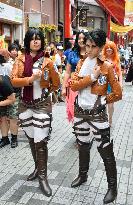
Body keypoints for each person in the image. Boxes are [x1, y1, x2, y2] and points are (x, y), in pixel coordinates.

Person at [69, 29, 122, 204]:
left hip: (97, 115)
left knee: (105, 150)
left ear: (100, 48)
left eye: (93, 47)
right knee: (82, 145)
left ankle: (112, 187)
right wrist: (92, 77)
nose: (88, 49)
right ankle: (82, 176)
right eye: (87, 45)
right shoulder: (81, 63)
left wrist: (103, 101)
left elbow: (118, 92)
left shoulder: (107, 66)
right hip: (80, 112)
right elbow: (74, 86)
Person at [11, 28, 60, 197]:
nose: (36, 41)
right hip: (25, 104)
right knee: (32, 139)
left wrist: (45, 90)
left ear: (42, 42)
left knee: (41, 141)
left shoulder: (48, 61)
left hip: (41, 105)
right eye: (32, 39)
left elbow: (56, 83)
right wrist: (30, 80)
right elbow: (13, 81)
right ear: (27, 42)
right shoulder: (20, 59)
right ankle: (37, 169)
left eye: (38, 39)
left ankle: (43, 177)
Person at [62, 31, 87, 122]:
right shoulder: (72, 53)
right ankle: (78, 129)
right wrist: (64, 88)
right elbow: (67, 72)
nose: (81, 40)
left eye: (83, 38)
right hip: (74, 85)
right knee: (74, 108)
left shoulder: (92, 53)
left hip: (88, 85)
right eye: (79, 38)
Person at [102, 41, 122, 126]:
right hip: (103, 84)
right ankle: (104, 119)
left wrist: (120, 84)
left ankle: (110, 119)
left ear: (113, 50)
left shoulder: (116, 60)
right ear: (105, 49)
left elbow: (119, 73)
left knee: (110, 105)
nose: (109, 49)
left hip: (112, 85)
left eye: (111, 48)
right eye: (108, 48)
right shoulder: (102, 59)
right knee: (102, 104)